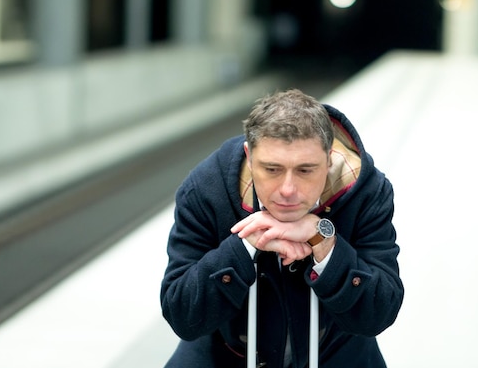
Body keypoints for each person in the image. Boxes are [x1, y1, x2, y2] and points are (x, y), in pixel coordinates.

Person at [161, 89, 403, 368]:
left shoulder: (366, 190)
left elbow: (379, 312)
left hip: (336, 351)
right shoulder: (205, 189)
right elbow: (182, 316)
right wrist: (244, 244)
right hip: (226, 353)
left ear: (329, 159)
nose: (288, 190)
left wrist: (323, 240)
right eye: (272, 169)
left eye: (305, 170)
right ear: (249, 158)